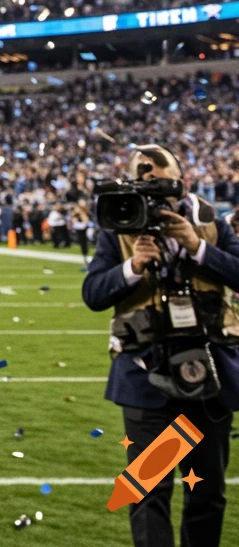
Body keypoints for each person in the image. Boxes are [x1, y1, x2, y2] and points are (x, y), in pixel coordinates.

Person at [82, 145, 239, 547]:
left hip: (207, 376)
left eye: (160, 185)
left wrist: (197, 247)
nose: (153, 198)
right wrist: (132, 267)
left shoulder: (211, 224)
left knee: (206, 493)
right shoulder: (118, 229)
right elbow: (93, 293)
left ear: (181, 179)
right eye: (143, 184)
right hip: (148, 382)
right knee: (149, 492)